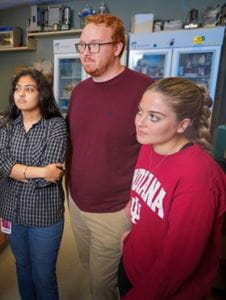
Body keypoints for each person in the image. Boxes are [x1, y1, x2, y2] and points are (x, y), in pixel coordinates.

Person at [66, 14, 154, 300]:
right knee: (88, 267)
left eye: (94, 45)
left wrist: (136, 202)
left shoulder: (145, 89)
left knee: (100, 287)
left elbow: (157, 149)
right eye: (82, 45)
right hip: (77, 204)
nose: (85, 53)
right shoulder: (79, 92)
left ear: (117, 47)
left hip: (116, 209)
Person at [119, 77, 226, 299]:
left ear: (183, 124)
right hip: (134, 266)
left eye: (154, 117)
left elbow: (177, 263)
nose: (140, 122)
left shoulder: (199, 178)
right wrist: (132, 237)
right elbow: (148, 192)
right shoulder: (150, 145)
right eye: (140, 111)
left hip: (165, 289)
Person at [0, 68, 67, 300]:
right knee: (23, 268)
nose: (21, 94)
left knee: (43, 275)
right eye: (17, 89)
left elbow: (51, 177)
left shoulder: (55, 126)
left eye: (29, 89)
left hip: (44, 214)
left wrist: (18, 172)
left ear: (41, 94)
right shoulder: (5, 125)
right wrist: (39, 171)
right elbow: (2, 163)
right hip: (12, 212)